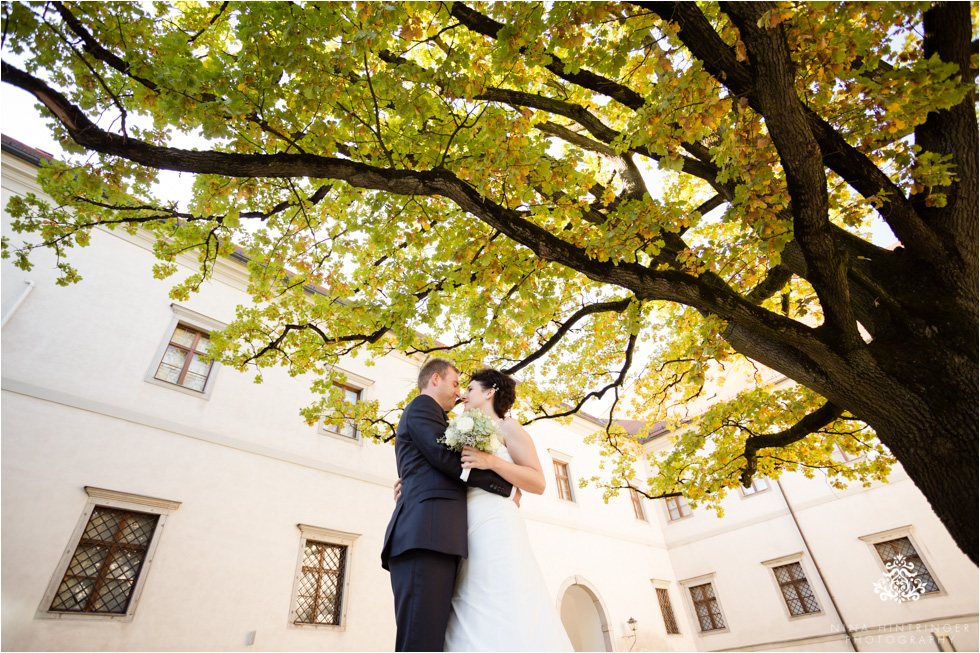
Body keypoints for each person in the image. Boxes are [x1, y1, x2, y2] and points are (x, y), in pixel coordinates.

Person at [381, 358, 515, 652]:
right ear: (436, 379)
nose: (459, 393)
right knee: (419, 640)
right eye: (456, 384)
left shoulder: (441, 420)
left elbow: (430, 462)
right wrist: (504, 486)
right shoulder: (422, 406)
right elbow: (444, 457)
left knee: (430, 638)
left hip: (436, 536)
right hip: (424, 537)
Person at [443, 367, 573, 652]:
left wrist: (492, 462)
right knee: (467, 592)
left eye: (470, 389)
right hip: (462, 520)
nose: (463, 395)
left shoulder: (509, 427)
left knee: (499, 587)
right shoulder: (458, 430)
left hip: (497, 521)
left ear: (489, 392)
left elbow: (538, 482)